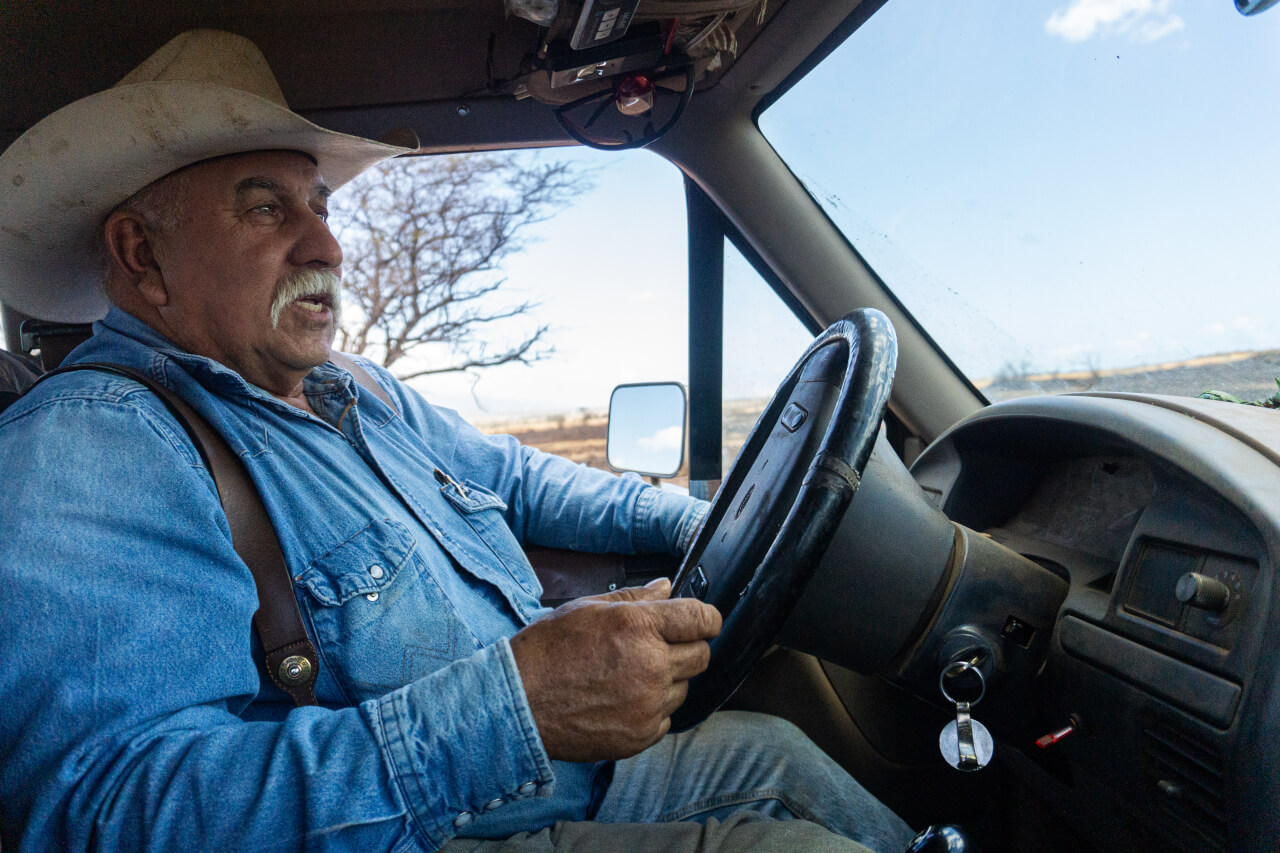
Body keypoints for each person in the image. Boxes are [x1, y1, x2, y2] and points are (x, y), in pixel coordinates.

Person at [0, 29, 914, 853]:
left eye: (319, 206)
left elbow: (517, 481)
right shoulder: (93, 445)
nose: (328, 246)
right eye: (268, 209)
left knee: (778, 754)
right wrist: (515, 707)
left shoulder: (352, 390)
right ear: (140, 255)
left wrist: (709, 520)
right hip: (438, 829)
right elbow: (103, 815)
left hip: (556, 777)